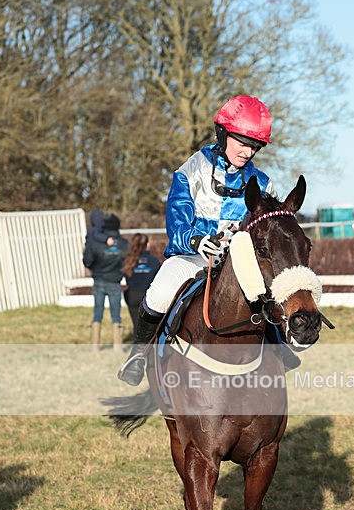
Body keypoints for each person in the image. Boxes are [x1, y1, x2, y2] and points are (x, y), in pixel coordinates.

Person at [118, 95, 275, 386]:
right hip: (191, 256)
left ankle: (280, 351)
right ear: (224, 133)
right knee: (160, 292)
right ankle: (138, 355)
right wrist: (196, 240)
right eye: (242, 142)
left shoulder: (263, 183)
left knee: (268, 292)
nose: (248, 152)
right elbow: (176, 221)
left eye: (254, 146)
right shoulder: (192, 169)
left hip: (237, 263)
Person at [83, 211, 129, 351]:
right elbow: (127, 262)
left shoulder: (95, 242)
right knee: (116, 314)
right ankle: (118, 346)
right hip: (115, 281)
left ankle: (95, 346)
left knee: (98, 312)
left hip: (99, 280)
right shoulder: (123, 244)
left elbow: (87, 261)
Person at [122, 233, 161, 339]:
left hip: (132, 296)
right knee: (150, 329)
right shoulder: (154, 261)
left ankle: (137, 350)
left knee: (137, 327)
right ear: (147, 244)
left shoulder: (129, 260)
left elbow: (125, 277)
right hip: (148, 297)